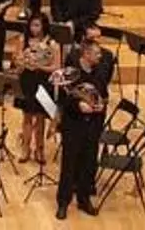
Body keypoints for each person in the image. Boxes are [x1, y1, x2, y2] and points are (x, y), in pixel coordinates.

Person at [55, 40, 108, 220]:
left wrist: (101, 106)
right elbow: (63, 100)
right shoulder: (72, 73)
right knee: (69, 164)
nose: (100, 56)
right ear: (86, 54)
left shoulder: (99, 73)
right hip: (73, 125)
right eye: (97, 53)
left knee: (88, 164)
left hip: (92, 126)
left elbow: (104, 95)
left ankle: (83, 200)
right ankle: (63, 202)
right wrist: (78, 105)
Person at [14, 13, 60, 164]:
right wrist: (23, 60)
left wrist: (39, 66)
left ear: (44, 26)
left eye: (37, 25)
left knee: (40, 117)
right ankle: (25, 148)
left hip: (43, 81)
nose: (34, 29)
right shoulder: (23, 40)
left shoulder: (52, 44)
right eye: (32, 25)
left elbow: (56, 67)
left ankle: (39, 149)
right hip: (27, 80)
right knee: (27, 116)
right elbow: (16, 60)